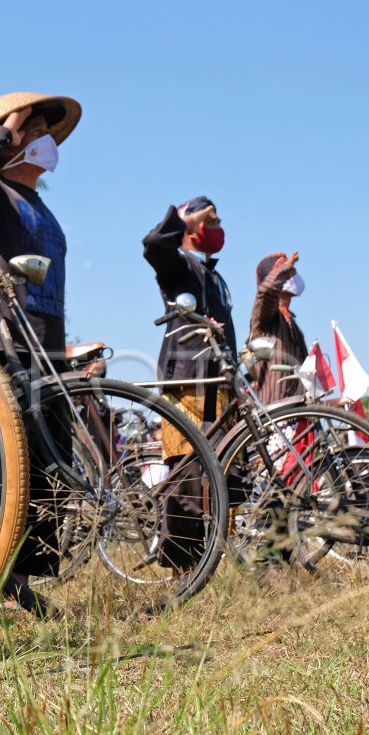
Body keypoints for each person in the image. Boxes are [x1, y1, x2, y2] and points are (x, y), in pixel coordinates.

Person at [0, 91, 81, 614]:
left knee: (49, 464)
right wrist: (8, 126)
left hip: (45, 346)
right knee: (0, 464)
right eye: (35, 128)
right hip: (1, 341)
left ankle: (22, 576)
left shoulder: (43, 207)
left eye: (49, 129)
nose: (45, 139)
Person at [142, 196, 234, 569]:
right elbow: (152, 244)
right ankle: (182, 564)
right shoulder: (175, 263)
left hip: (219, 380)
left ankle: (216, 553)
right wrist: (184, 219)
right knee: (186, 471)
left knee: (225, 470)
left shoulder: (213, 274)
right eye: (210, 220)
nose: (217, 226)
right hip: (185, 380)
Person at [248, 252, 306, 403]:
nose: (291, 273)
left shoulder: (291, 323)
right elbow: (266, 292)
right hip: (273, 415)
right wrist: (286, 268)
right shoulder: (264, 318)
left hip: (297, 414)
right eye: (286, 271)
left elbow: (305, 376)